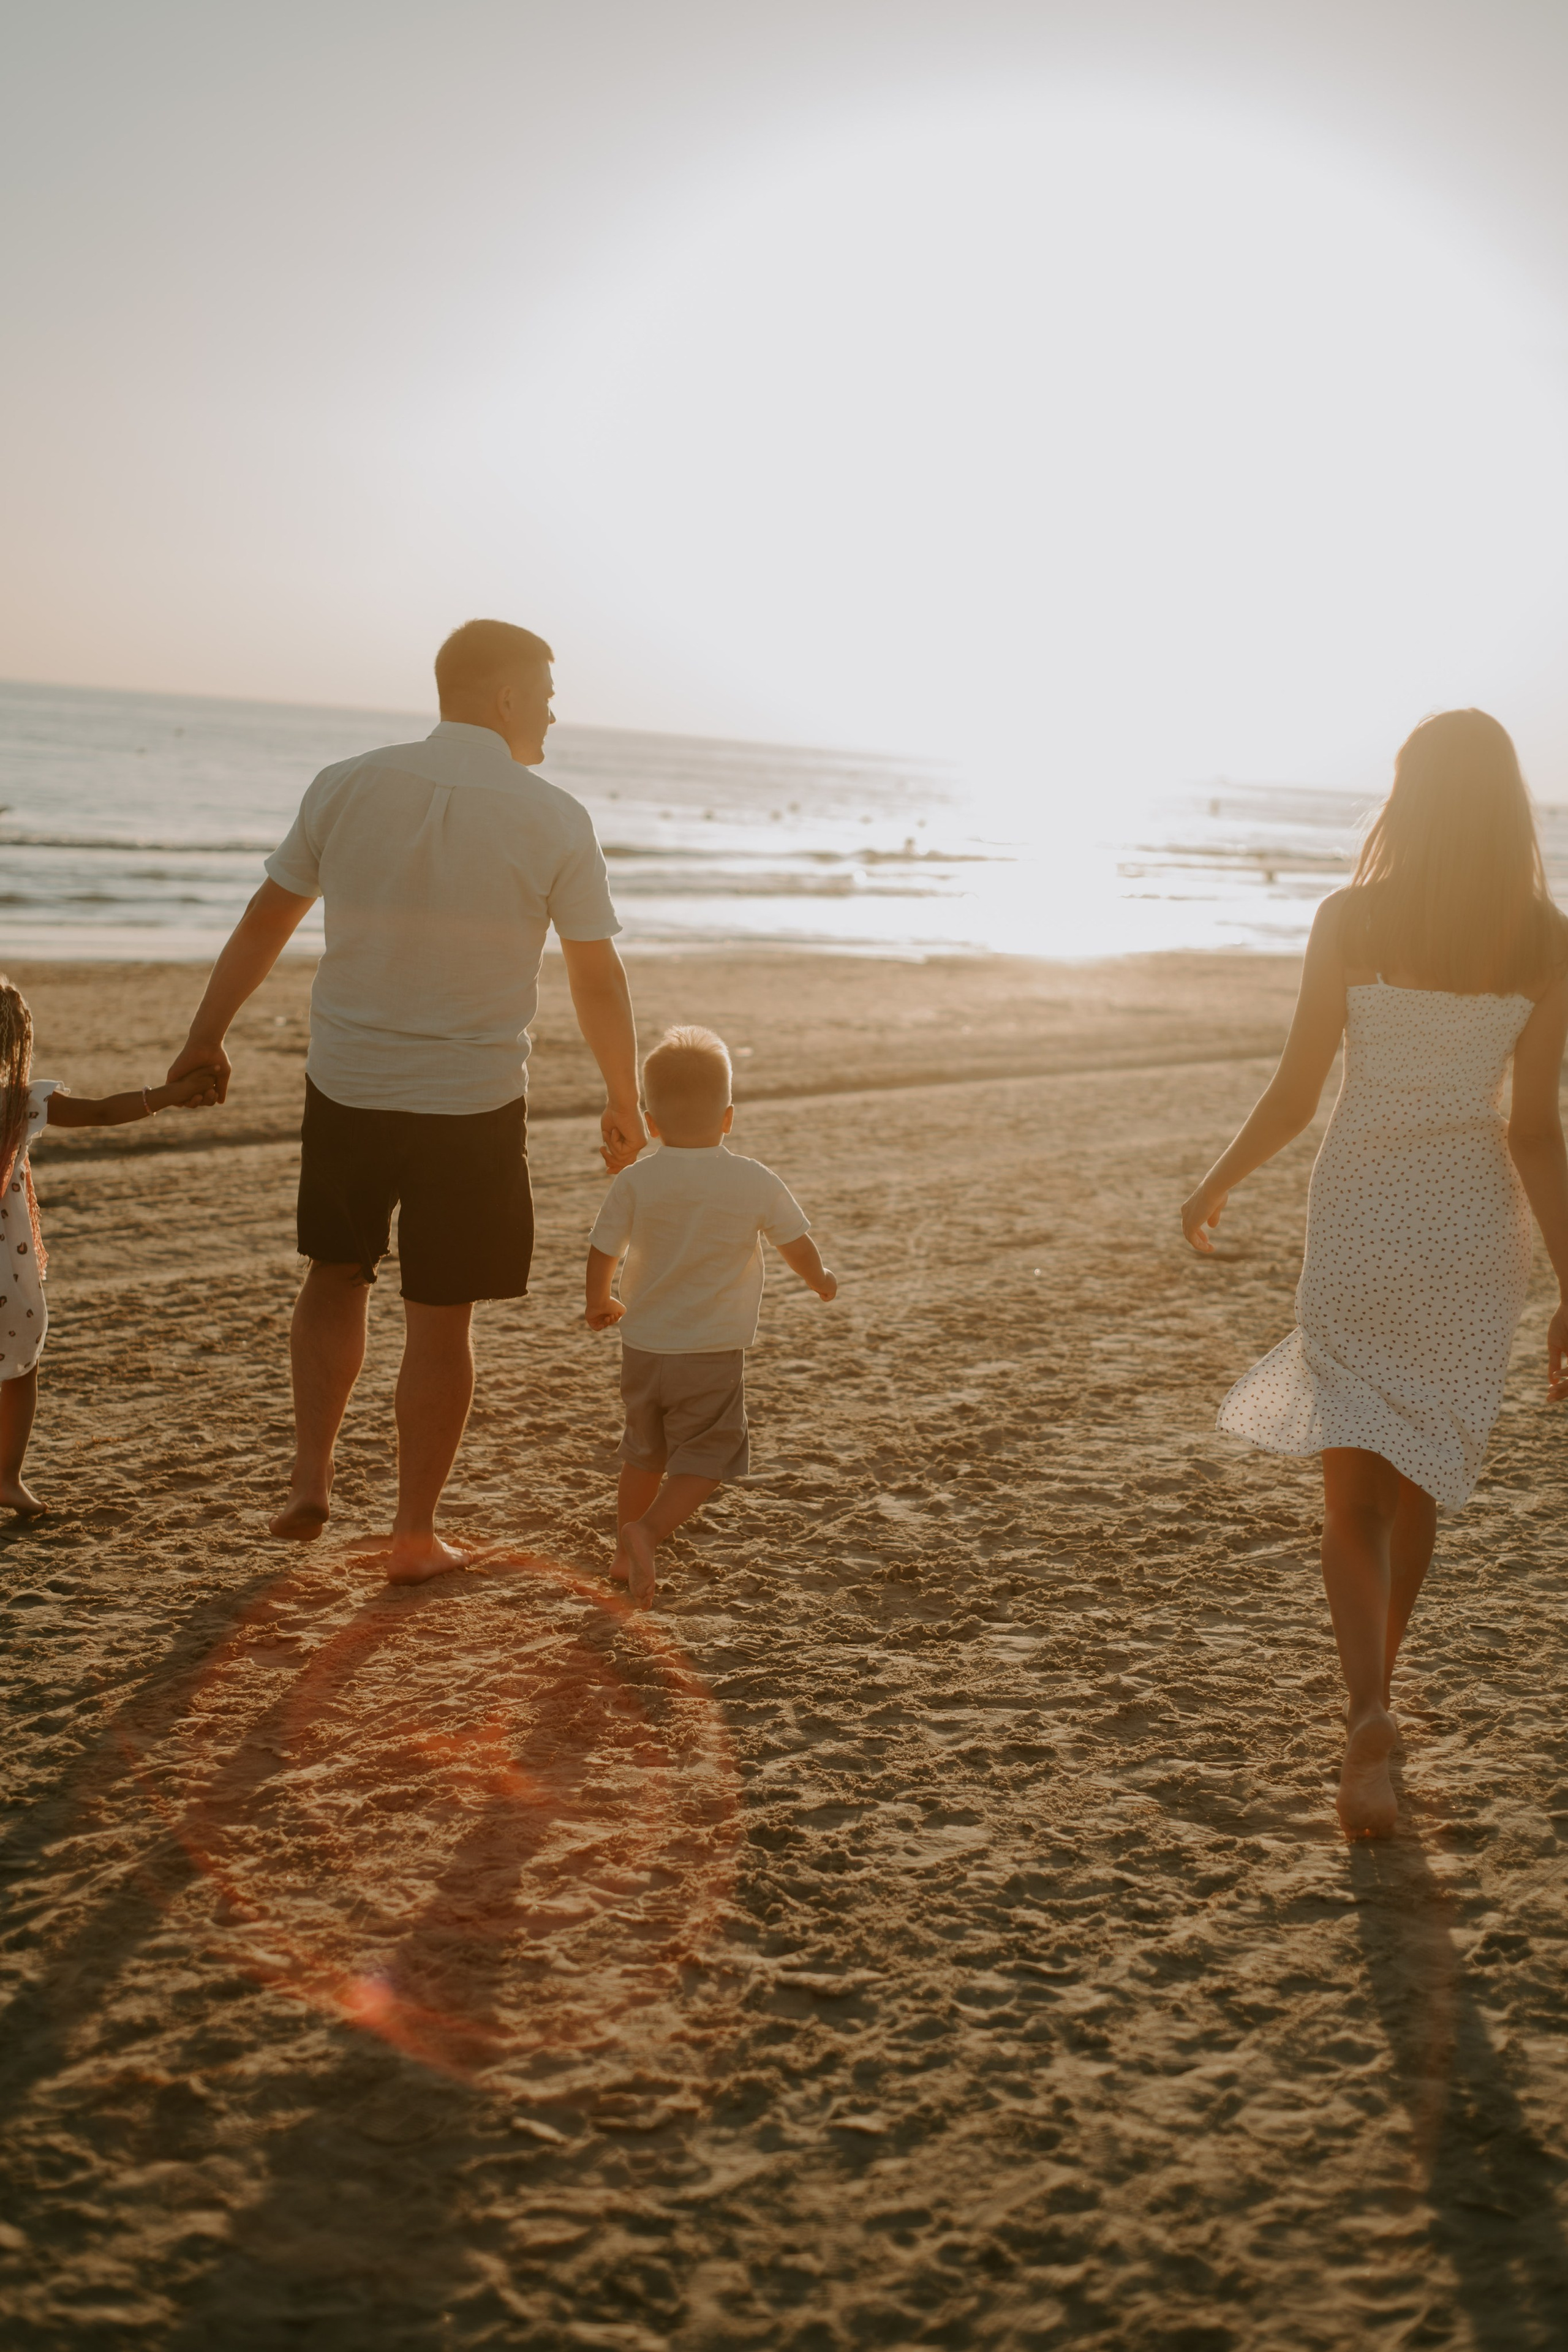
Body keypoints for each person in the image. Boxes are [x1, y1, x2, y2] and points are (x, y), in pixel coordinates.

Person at [165, 620, 647, 1581]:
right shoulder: (554, 817)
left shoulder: (347, 783)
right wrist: (622, 1095)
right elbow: (596, 975)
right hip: (471, 1102)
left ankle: (310, 1476)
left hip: (349, 1083)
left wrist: (205, 1034)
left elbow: (267, 918)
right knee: (441, 1316)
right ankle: (414, 1535)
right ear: (505, 698)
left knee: (335, 1273)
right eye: (546, 694)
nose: (554, 713)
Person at [1180, 710, 1568, 1839]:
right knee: (1418, 1483)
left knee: (1351, 1500)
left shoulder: (1350, 918)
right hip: (1469, 1236)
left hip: (1359, 1222)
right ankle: (1378, 1707)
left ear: (1410, 795)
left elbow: (1298, 1092)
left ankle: (1365, 1715)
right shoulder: (1547, 939)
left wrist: (1213, 1184)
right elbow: (1534, 1130)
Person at [584, 1026, 837, 1607]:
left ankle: (623, 1555)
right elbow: (795, 1243)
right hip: (711, 1350)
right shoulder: (753, 1179)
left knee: (643, 1451)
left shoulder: (636, 1179)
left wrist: (599, 1300)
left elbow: (604, 1247)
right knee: (709, 1453)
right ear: (728, 1118)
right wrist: (820, 1279)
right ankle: (648, 1531)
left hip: (644, 1346)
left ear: (650, 1123)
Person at [1, 976, 217, 1515]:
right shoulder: (18, 1102)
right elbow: (100, 1112)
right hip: (7, 1265)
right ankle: (5, 1477)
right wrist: (169, 1096)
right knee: (20, 1365)